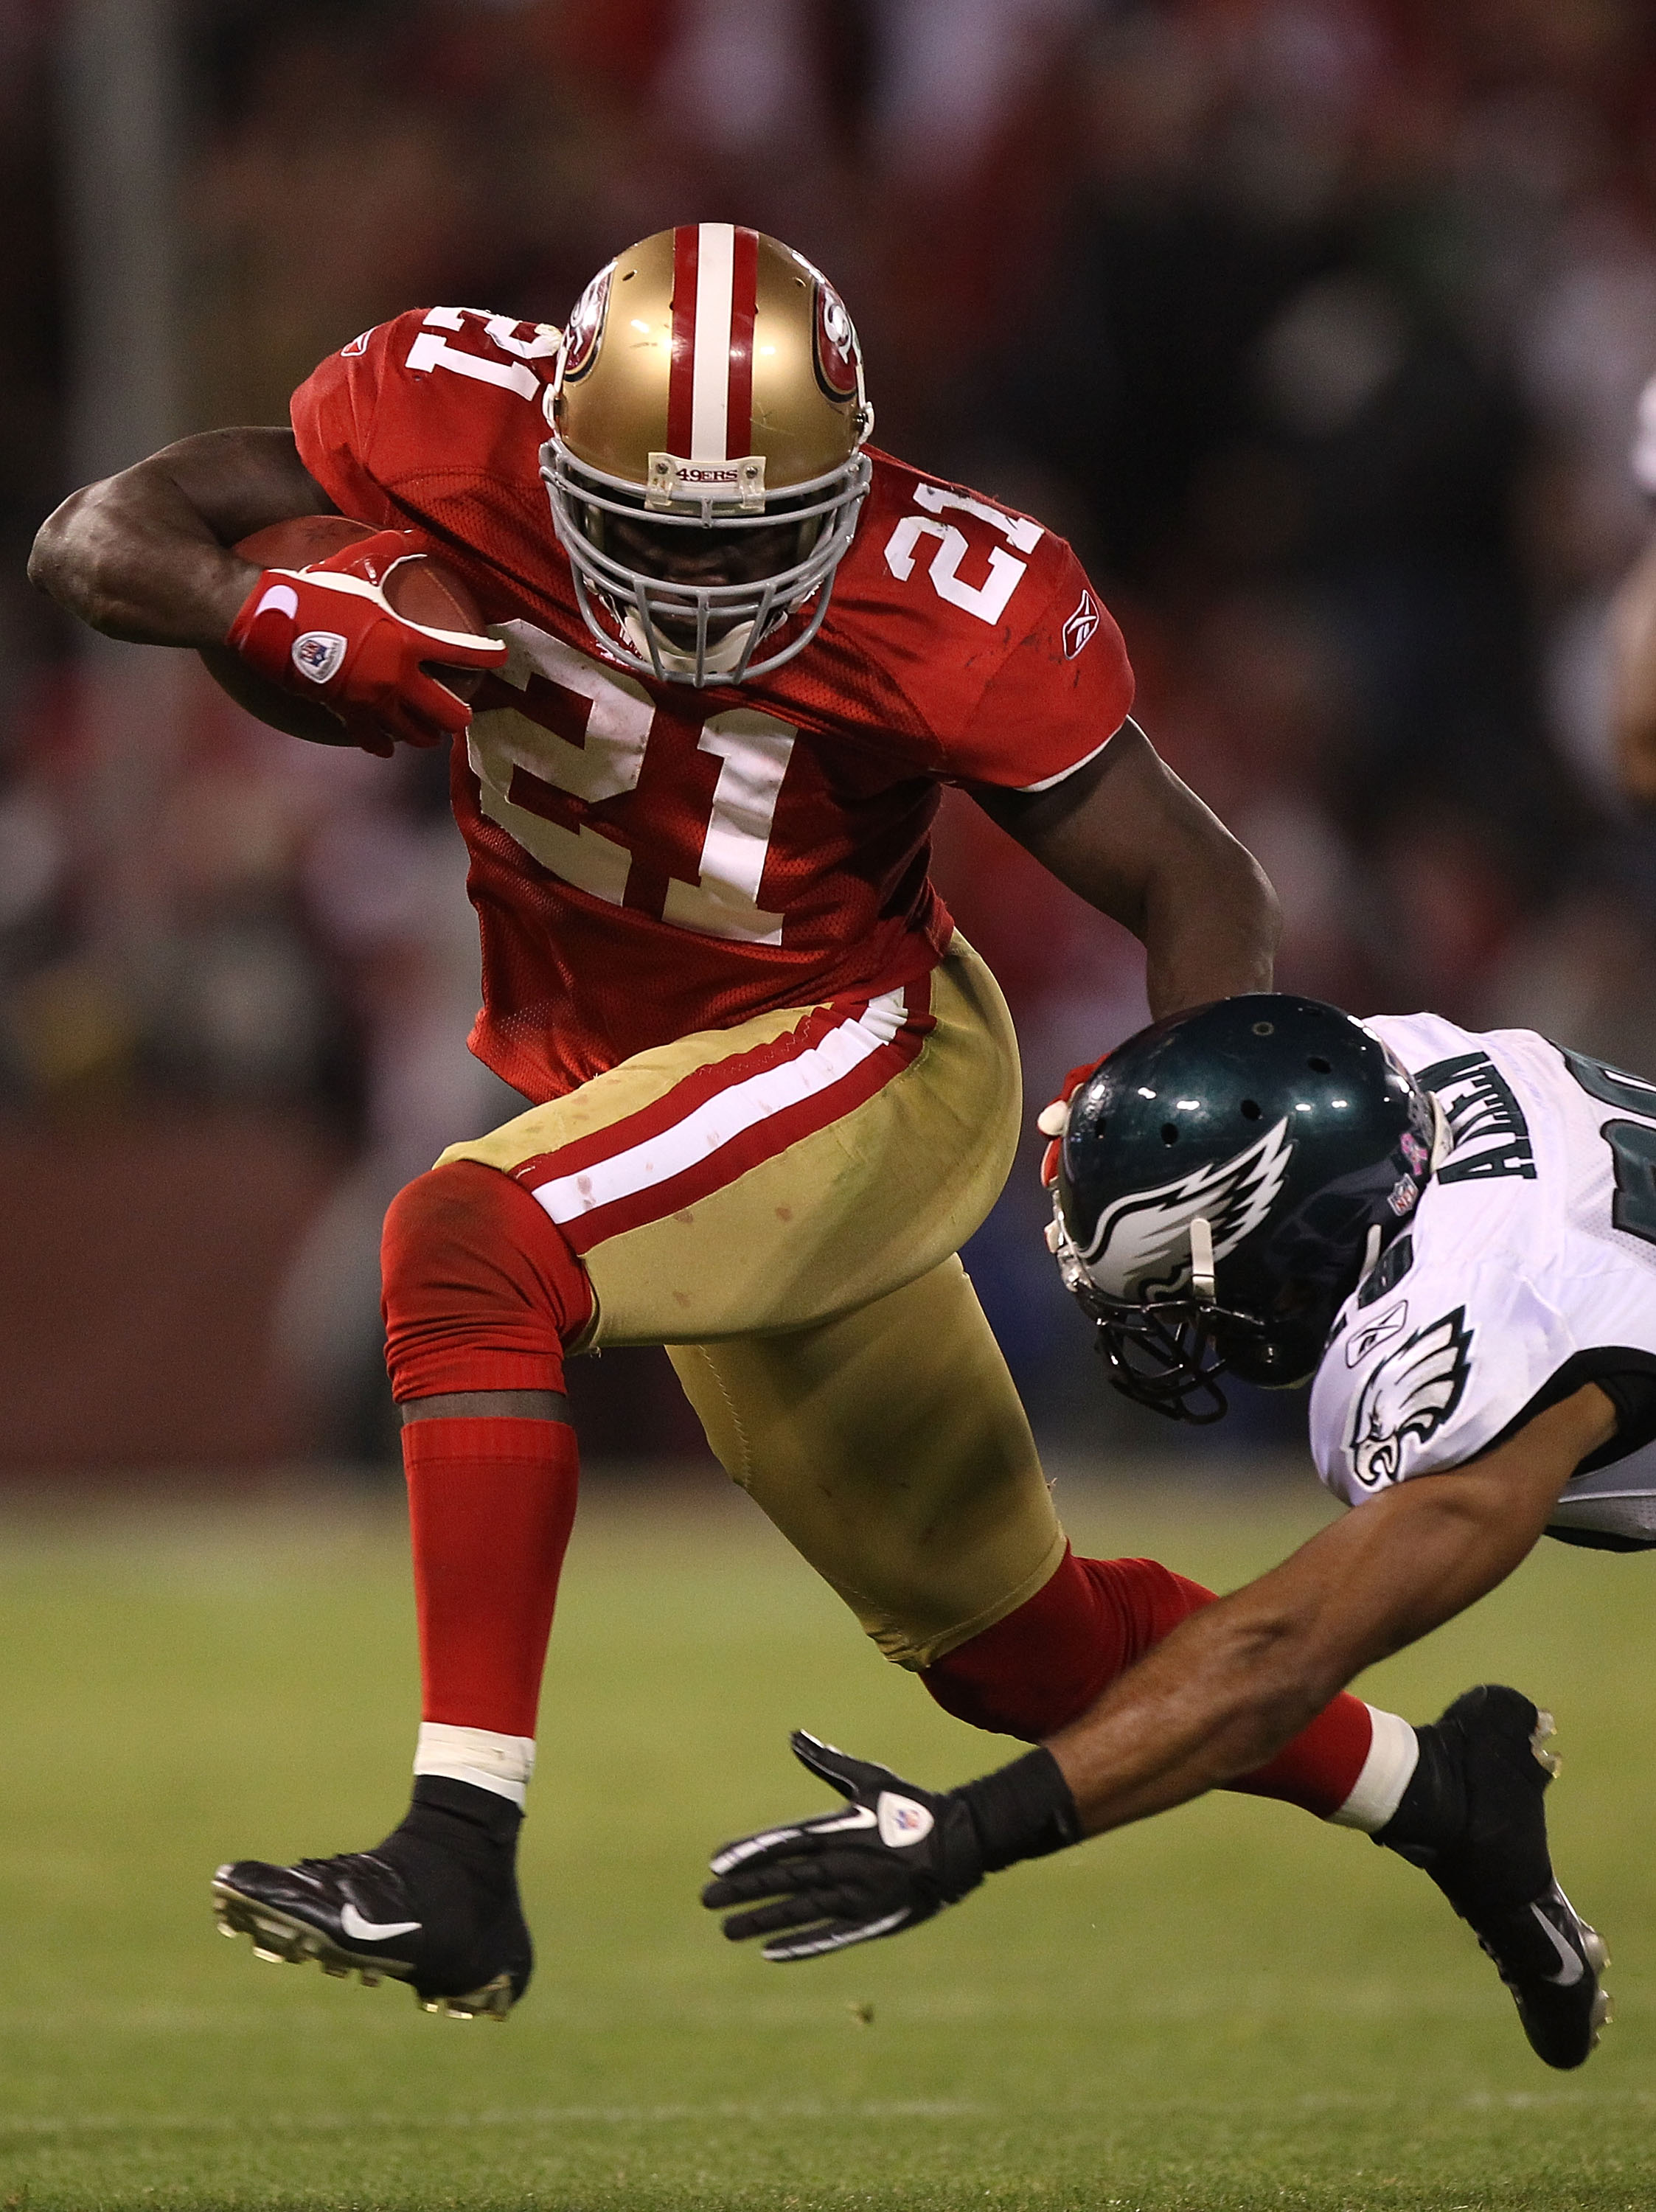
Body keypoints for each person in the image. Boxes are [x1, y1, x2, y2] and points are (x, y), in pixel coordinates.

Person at [32, 228, 1472, 2024]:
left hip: (846, 1048)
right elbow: (96, 534)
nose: (696, 587)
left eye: (746, 537)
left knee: (465, 1244)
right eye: (648, 530)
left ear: (849, 478)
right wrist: (258, 608)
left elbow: (1195, 874)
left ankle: (456, 1857)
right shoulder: (438, 419)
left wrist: (1198, 1134)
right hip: (656, 1085)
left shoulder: (948, 597)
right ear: (555, 457)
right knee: (1010, 1647)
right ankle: (1445, 1791)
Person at [701, 993, 1638, 2070]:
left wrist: (970, 1834)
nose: (1166, 1323)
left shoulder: (1483, 1327)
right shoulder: (1400, 1076)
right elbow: (1255, 1046)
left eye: (1174, 1289)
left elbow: (1275, 1658)